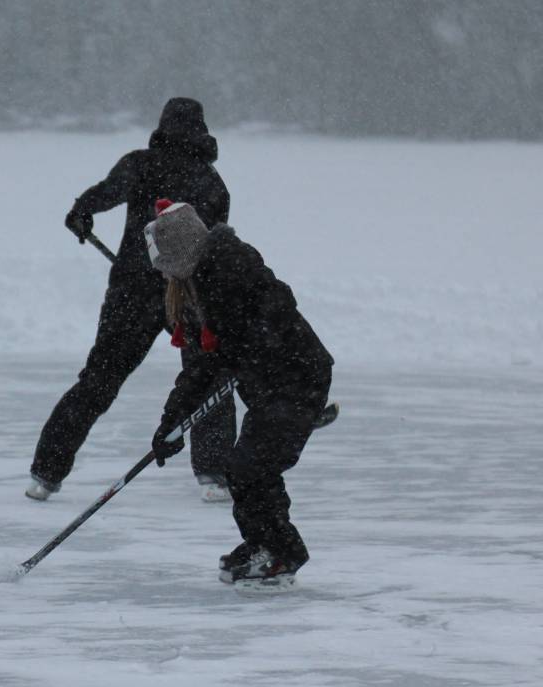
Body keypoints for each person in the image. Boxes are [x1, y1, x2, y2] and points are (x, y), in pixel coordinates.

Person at [26, 97, 238, 503]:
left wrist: (80, 213)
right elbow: (215, 248)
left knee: (99, 380)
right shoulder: (212, 182)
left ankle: (45, 473)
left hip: (131, 292)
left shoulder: (140, 164)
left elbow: (101, 196)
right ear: (202, 130)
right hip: (188, 295)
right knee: (208, 377)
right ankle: (214, 474)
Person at [143, 201, 333, 590]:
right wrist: (170, 426)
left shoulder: (233, 264)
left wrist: (245, 342)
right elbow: (200, 369)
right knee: (241, 468)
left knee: (253, 466)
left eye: (165, 265)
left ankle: (283, 551)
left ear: (181, 251)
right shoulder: (193, 290)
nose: (164, 276)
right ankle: (262, 542)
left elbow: (278, 305)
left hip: (298, 376)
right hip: (265, 384)